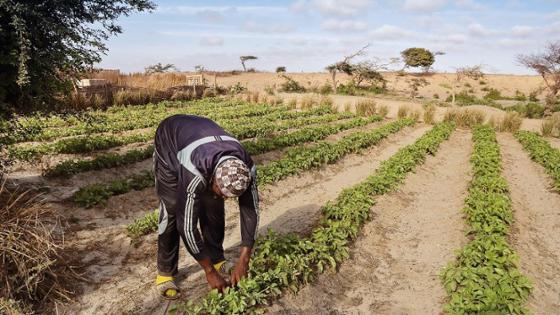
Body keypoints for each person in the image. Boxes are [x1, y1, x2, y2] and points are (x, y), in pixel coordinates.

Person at [153, 114, 259, 299]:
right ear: (214, 181)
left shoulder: (247, 170)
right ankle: (165, 273)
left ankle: (217, 257)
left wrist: (244, 260)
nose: (225, 199)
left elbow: (251, 212)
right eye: (222, 193)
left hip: (201, 135)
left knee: (214, 205)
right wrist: (209, 272)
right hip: (170, 141)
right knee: (171, 209)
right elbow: (186, 227)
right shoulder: (195, 171)